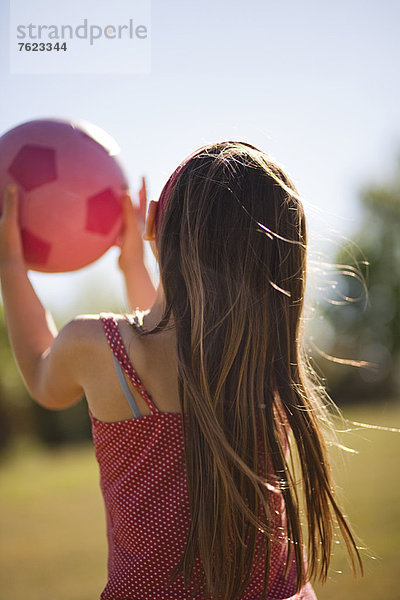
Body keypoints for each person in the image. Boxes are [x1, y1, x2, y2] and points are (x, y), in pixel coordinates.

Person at [0, 141, 362, 600]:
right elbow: (184, 338)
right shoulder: (262, 361)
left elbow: (41, 376)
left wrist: (12, 266)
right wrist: (135, 263)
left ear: (155, 221)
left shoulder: (97, 348)